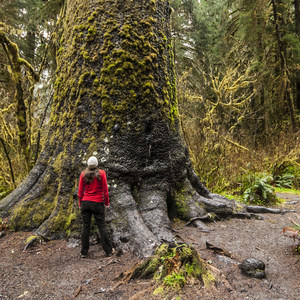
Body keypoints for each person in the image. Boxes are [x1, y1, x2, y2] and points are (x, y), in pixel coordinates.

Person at [78, 156, 113, 258]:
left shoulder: (83, 174)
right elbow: (105, 190)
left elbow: (80, 192)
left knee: (86, 227)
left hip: (85, 203)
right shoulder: (102, 173)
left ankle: (84, 252)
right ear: (97, 164)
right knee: (101, 226)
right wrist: (107, 202)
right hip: (97, 203)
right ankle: (108, 251)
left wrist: (80, 203)